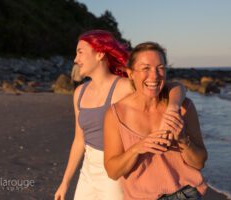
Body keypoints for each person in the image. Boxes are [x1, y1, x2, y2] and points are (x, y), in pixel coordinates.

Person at [54, 30, 187, 200]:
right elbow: (79, 140)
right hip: (88, 170)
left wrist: (172, 108)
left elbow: (176, 87)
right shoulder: (79, 92)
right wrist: (65, 183)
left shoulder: (125, 86)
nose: (75, 59)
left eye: (80, 52)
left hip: (115, 173)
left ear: (100, 54)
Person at [104, 42, 208, 200]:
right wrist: (137, 148)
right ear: (130, 73)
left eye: (160, 68)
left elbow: (199, 163)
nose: (154, 75)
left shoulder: (184, 107)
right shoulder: (116, 114)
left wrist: (181, 139)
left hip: (186, 195)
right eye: (145, 68)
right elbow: (113, 172)